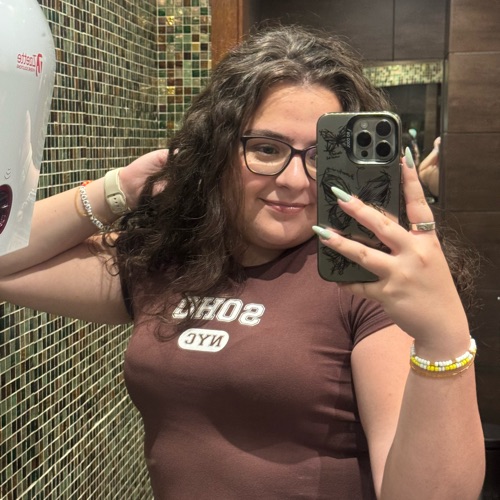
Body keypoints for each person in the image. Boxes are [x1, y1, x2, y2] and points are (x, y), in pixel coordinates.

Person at [0, 25, 485, 499]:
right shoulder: (172, 258)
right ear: (217, 150)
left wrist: (442, 336)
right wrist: (119, 189)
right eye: (267, 149)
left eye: (321, 155)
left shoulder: (367, 279)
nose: (294, 180)